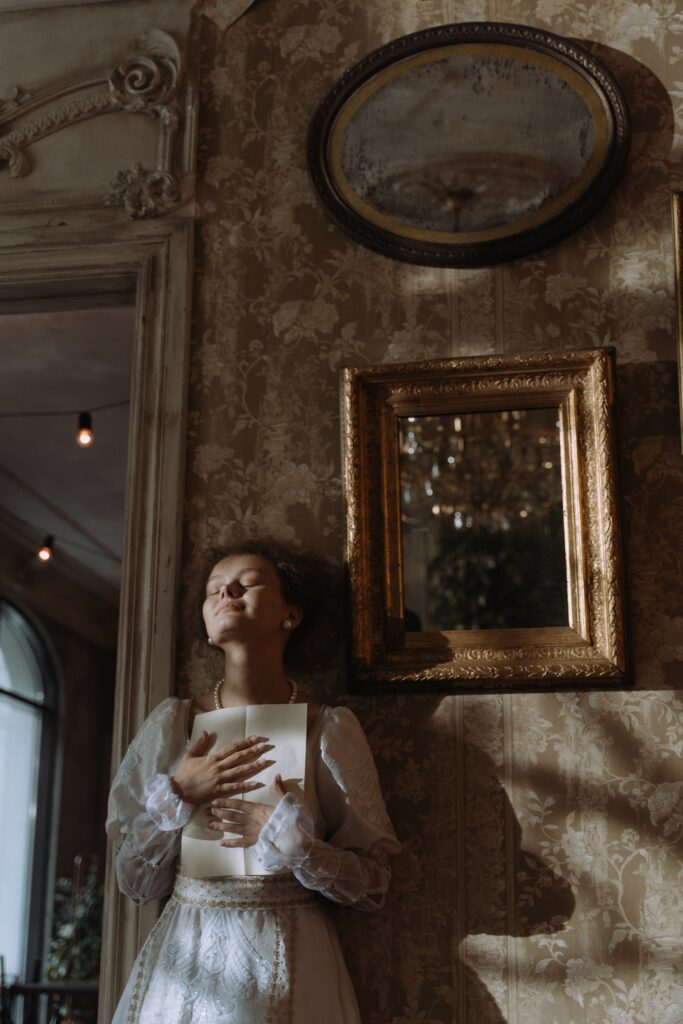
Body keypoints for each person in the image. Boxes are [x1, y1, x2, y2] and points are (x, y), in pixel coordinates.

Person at [106, 540, 400, 1024]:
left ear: (291, 613)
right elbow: (135, 882)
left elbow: (371, 887)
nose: (228, 591)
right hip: (187, 949)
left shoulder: (327, 726)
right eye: (214, 588)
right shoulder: (172, 723)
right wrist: (176, 796)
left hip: (291, 947)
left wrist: (301, 850)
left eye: (250, 580)